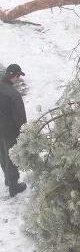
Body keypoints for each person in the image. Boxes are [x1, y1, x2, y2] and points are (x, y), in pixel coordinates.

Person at [0, 63, 28, 197]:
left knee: (2, 154)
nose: (19, 79)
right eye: (19, 76)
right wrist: (25, 132)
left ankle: (7, 178)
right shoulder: (14, 95)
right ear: (15, 76)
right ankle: (13, 186)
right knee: (11, 157)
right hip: (10, 131)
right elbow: (20, 118)